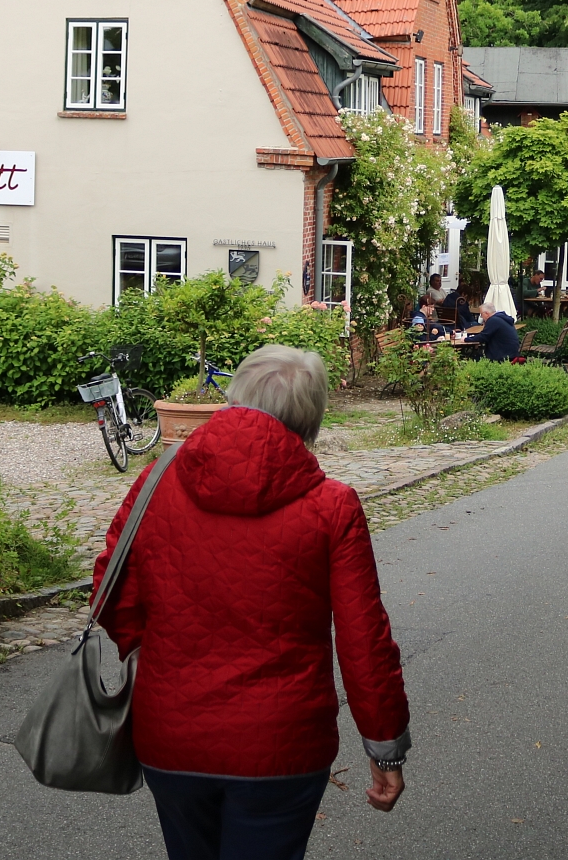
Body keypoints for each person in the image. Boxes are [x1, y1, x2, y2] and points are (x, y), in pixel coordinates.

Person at [93, 345, 411, 859]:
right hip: (281, 745)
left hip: (172, 733)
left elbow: (111, 590)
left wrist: (152, 655)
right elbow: (364, 639)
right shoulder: (332, 506)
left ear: (236, 399)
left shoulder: (155, 485)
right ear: (310, 417)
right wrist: (385, 746)